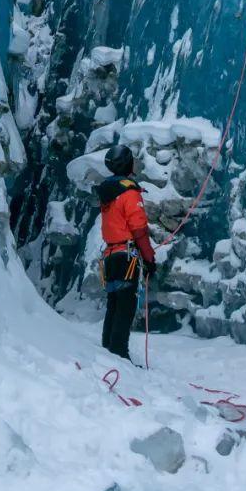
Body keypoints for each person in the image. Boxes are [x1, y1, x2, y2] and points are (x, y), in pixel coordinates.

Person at [98, 144, 156, 361]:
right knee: (125, 307)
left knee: (114, 305)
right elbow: (139, 229)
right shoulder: (129, 192)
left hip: (110, 256)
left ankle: (107, 351)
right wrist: (149, 259)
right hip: (126, 256)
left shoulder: (108, 192)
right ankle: (119, 355)